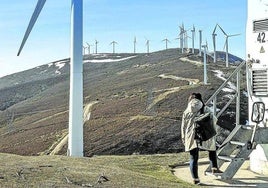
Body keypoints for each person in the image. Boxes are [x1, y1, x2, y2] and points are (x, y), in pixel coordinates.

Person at [181, 93, 222, 185]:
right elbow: (214, 120)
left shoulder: (187, 111)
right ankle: (214, 168)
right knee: (212, 149)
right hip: (204, 133)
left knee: (193, 158)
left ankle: (196, 180)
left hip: (191, 136)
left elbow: (183, 127)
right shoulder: (205, 108)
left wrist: (184, 138)